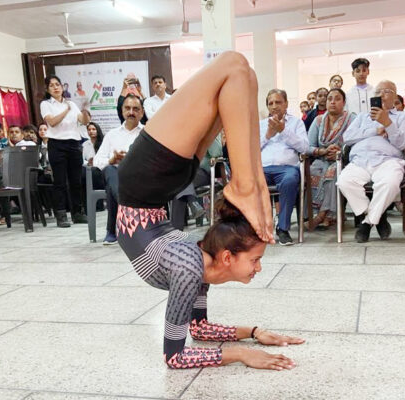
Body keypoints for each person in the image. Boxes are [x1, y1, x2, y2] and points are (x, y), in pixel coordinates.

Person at [116, 52, 303, 370]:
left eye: (257, 261)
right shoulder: (194, 266)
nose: (258, 269)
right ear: (227, 257)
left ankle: (249, 182)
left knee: (243, 74)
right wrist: (242, 352)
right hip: (150, 183)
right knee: (236, 68)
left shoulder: (197, 266)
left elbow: (198, 332)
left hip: (151, 184)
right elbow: (175, 356)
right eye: (255, 260)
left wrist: (255, 334)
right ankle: (248, 184)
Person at [336, 81, 405, 242]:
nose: (380, 95)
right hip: (360, 160)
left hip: (389, 161)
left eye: (386, 91)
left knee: (390, 183)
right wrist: (374, 130)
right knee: (344, 181)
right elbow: (347, 138)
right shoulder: (362, 117)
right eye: (377, 92)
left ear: (395, 95)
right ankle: (378, 217)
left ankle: (366, 224)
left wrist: (388, 124)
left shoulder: (404, 117)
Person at [40, 75, 91, 227]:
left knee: (76, 180)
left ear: (62, 87)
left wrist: (85, 109)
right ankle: (61, 215)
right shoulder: (46, 104)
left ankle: (78, 213)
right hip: (57, 144)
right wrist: (66, 110)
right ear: (47, 89)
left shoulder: (71, 104)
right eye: (52, 85)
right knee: (60, 181)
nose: (56, 87)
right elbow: (52, 123)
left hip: (74, 144)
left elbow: (84, 121)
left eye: (58, 84)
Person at [261, 89, 309, 245]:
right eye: (271, 103)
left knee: (289, 181)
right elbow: (250, 150)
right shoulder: (260, 125)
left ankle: (283, 229)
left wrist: (283, 131)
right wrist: (268, 134)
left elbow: (304, 147)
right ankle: (260, 228)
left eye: (278, 102)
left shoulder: (296, 123)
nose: (274, 106)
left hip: (287, 168)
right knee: (250, 181)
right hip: (263, 167)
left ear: (286, 104)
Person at [94, 96, 143, 245]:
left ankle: (111, 231)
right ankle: (127, 208)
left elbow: (156, 158)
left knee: (111, 185)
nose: (131, 112)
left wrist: (131, 160)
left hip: (138, 176)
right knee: (110, 170)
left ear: (142, 112)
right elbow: (97, 161)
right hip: (115, 174)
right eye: (127, 108)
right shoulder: (111, 135)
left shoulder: (147, 132)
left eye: (135, 109)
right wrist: (112, 160)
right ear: (122, 111)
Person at [306, 88, 356, 230]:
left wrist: (341, 153)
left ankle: (323, 215)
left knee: (334, 172)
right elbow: (308, 146)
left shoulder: (352, 119)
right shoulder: (318, 120)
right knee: (312, 171)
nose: (332, 102)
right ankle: (314, 213)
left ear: (344, 102)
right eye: (330, 99)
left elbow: (357, 144)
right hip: (321, 158)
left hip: (344, 161)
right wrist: (322, 151)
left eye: (337, 99)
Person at [170, 135, 222, 231]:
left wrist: (206, 136)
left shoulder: (209, 134)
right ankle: (192, 202)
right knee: (178, 188)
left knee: (180, 182)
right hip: (187, 174)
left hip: (203, 173)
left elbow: (217, 152)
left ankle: (176, 229)